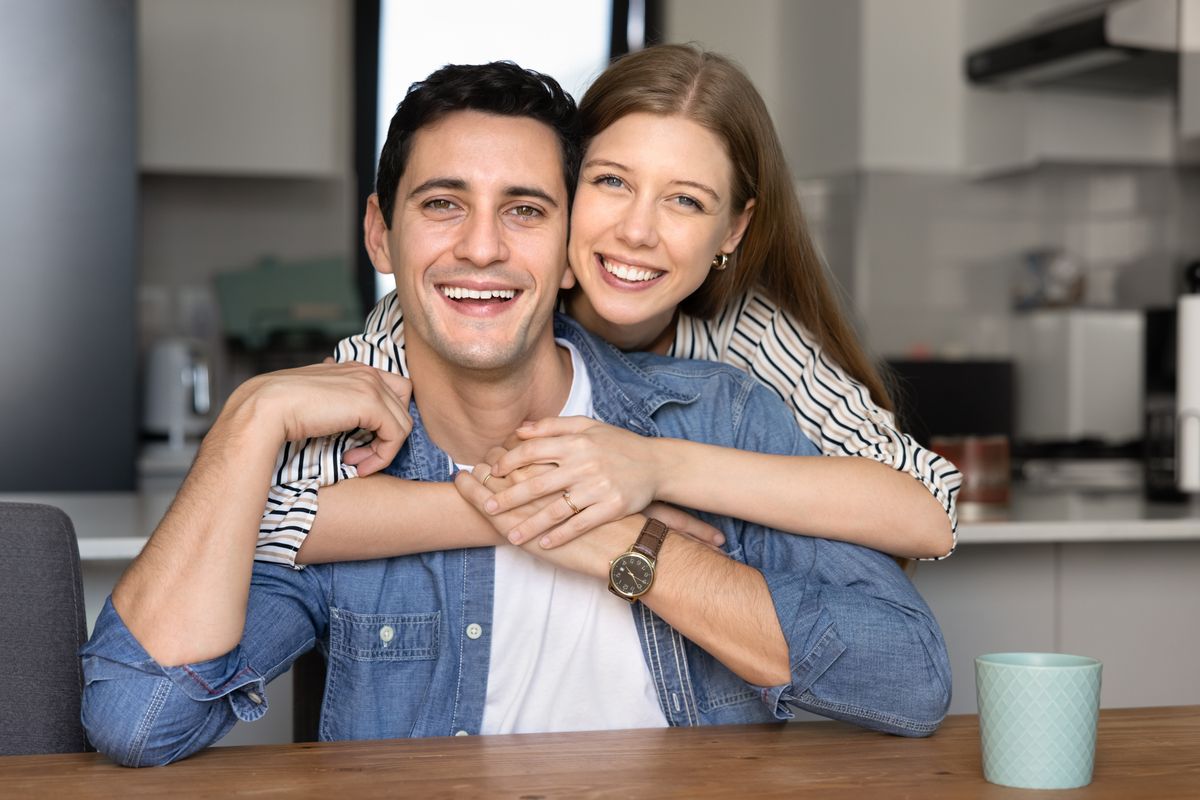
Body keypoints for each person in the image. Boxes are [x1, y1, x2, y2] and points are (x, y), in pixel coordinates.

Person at [80, 61, 950, 767]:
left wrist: (630, 543)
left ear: (570, 245)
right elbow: (137, 716)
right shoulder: (348, 441)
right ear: (381, 237)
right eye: (443, 204)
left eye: (526, 210)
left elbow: (908, 681)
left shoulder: (723, 404)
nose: (484, 247)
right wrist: (247, 417)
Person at [255, 44, 960, 573]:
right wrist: (571, 516)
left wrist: (656, 468)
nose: (637, 232)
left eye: (686, 200)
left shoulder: (744, 333)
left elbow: (927, 512)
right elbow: (267, 509)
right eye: (612, 181)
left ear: (733, 231)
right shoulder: (473, 309)